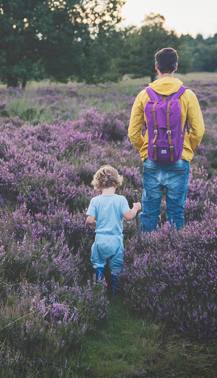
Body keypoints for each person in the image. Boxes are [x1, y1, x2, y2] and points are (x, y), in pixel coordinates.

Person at [128, 47, 205, 232]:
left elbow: (133, 132)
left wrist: (145, 149)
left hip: (152, 159)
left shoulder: (144, 95)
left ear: (156, 67)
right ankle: (173, 254)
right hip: (179, 159)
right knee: (176, 212)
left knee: (149, 213)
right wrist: (186, 149)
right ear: (175, 67)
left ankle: (146, 253)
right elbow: (198, 130)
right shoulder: (188, 95)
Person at [86, 165, 142, 294]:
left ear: (98, 186)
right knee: (116, 267)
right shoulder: (120, 199)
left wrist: (94, 223)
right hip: (115, 240)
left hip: (100, 239)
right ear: (116, 184)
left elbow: (89, 220)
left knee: (98, 263)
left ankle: (98, 287)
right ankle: (115, 291)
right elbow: (129, 217)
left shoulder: (95, 200)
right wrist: (136, 208)